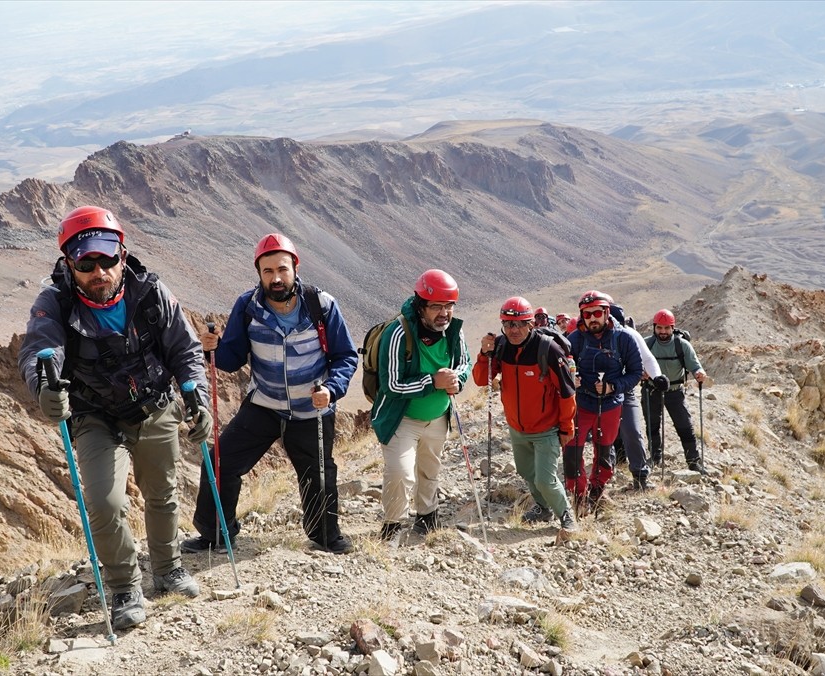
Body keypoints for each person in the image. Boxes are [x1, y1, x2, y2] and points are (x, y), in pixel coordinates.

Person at [18, 205, 209, 630]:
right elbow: (37, 353)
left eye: (108, 259)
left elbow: (186, 350)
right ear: (70, 264)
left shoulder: (152, 293)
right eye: (87, 263)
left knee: (162, 491)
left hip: (153, 405)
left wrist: (199, 398)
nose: (99, 271)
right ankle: (125, 586)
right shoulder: (54, 303)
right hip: (94, 416)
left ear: (122, 255)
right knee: (105, 503)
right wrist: (44, 389)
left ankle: (168, 568)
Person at [182, 233, 359, 555]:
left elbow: (346, 356)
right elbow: (232, 358)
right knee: (221, 462)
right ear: (258, 273)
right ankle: (214, 535)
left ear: (295, 268)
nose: (276, 278)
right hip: (264, 405)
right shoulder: (247, 306)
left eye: (282, 270)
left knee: (319, 475)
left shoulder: (322, 305)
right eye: (267, 271)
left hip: (312, 408)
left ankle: (326, 538)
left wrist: (332, 390)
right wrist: (214, 349)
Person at [371, 270, 471, 539]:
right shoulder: (398, 333)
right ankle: (392, 528)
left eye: (449, 305)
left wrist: (456, 380)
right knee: (400, 473)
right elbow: (391, 385)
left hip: (438, 417)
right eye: (437, 306)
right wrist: (432, 382)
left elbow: (464, 364)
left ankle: (427, 519)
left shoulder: (453, 331)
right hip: (402, 418)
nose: (445, 313)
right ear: (420, 305)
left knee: (430, 470)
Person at [473, 297, 576, 530]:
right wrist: (483, 353)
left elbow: (567, 392)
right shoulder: (500, 347)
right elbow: (481, 380)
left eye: (520, 324)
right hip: (517, 428)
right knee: (526, 471)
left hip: (546, 428)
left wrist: (566, 426)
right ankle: (542, 508)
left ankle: (567, 516)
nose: (514, 330)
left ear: (531, 324)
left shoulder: (547, 349)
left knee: (545, 479)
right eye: (508, 324)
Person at [563, 290, 644, 516]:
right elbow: (565, 367)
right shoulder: (574, 340)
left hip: (610, 405)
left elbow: (636, 372)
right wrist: (572, 378)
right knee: (572, 452)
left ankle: (597, 491)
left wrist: (613, 386)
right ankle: (578, 496)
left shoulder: (623, 338)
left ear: (607, 312)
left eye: (597, 312)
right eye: (586, 314)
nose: (592, 318)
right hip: (582, 404)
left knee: (604, 449)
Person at [643, 309, 707, 472]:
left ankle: (693, 461)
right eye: (659, 328)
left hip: (675, 392)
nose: (663, 332)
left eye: (666, 328)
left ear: (673, 328)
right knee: (652, 426)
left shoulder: (682, 345)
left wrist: (699, 373)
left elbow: (695, 365)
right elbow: (636, 364)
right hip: (651, 390)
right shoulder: (646, 344)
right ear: (654, 327)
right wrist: (640, 373)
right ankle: (655, 458)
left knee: (684, 426)